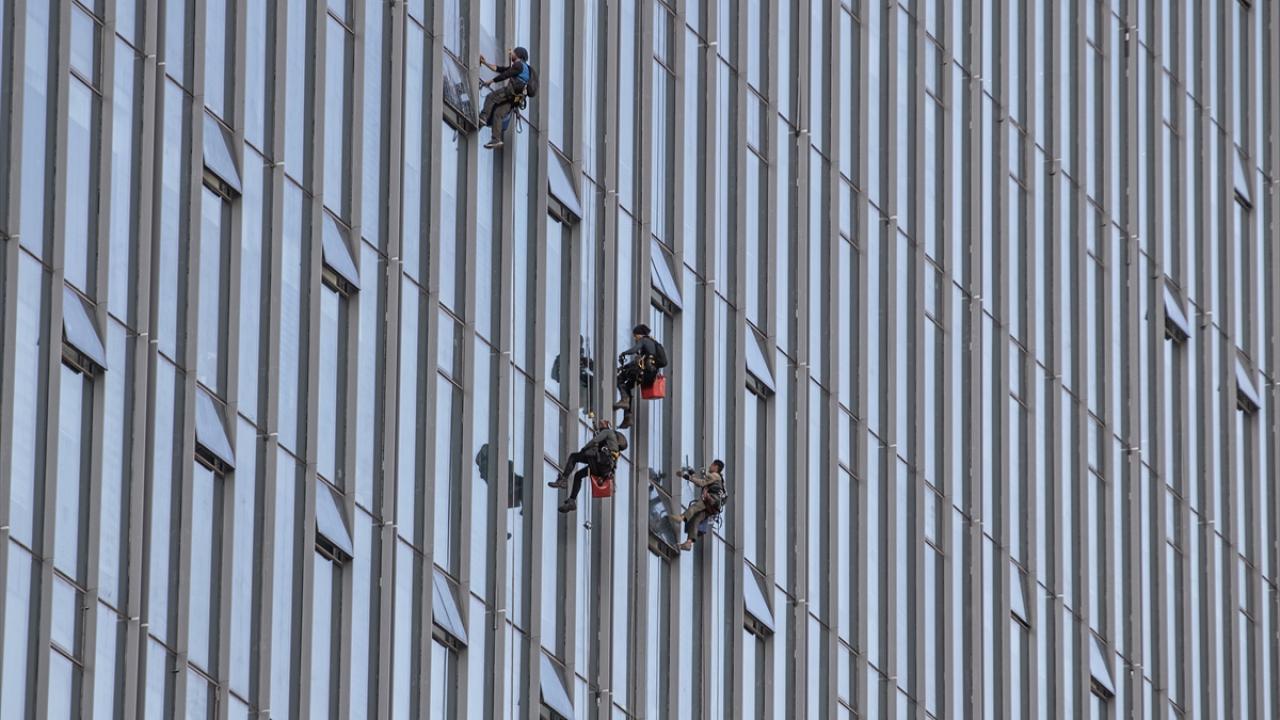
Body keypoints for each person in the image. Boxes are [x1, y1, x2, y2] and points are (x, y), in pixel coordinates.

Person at [547, 419, 628, 513]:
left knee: (574, 457)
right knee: (578, 475)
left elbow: (594, 441)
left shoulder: (607, 432)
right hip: (602, 468)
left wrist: (583, 449)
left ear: (606, 426)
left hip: (600, 461)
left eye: (601, 424)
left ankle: (563, 480)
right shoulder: (612, 444)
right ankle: (572, 501)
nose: (600, 425)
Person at [477, 47, 534, 149]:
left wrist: (491, 81)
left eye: (513, 52)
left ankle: (483, 117)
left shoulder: (519, 65)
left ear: (518, 55)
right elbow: (500, 69)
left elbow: (505, 75)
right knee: (498, 114)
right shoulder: (523, 68)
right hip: (515, 99)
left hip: (511, 91)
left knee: (491, 97)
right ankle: (496, 139)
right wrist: (485, 63)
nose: (511, 53)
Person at [613, 324, 667, 429]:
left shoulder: (644, 340)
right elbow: (639, 361)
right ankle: (627, 417)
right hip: (649, 375)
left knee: (619, 379)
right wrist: (624, 367)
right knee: (627, 386)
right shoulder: (653, 344)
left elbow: (634, 350)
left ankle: (625, 402)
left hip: (643, 372)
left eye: (635, 335)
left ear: (639, 334)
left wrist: (624, 353)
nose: (635, 338)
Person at [670, 460, 727, 551]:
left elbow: (701, 483)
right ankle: (688, 543)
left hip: (710, 499)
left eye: (712, 465)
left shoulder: (715, 475)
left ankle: (682, 517)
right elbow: (700, 483)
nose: (710, 467)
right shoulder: (718, 479)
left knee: (695, 507)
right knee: (696, 519)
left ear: (716, 467)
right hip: (713, 507)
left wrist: (686, 476)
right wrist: (692, 475)